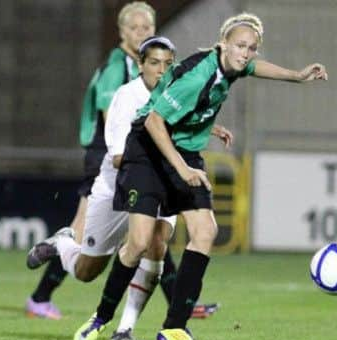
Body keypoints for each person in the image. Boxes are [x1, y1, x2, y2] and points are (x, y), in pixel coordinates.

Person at [68, 12, 327, 340]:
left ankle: (174, 328)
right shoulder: (198, 75)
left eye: (251, 48)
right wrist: (183, 169)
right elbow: (155, 122)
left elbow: (255, 69)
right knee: (139, 243)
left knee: (205, 232)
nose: (246, 54)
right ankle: (100, 318)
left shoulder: (234, 64)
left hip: (183, 152)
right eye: (240, 46)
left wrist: (297, 75)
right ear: (223, 45)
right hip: (148, 152)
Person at [24, 1, 217, 322]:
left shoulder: (155, 69)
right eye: (135, 28)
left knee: (153, 238)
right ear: (122, 32)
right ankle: (44, 288)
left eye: (147, 27)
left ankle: (172, 310)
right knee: (88, 245)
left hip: (141, 163)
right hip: (110, 158)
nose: (142, 32)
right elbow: (116, 122)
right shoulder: (120, 69)